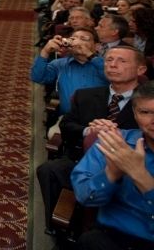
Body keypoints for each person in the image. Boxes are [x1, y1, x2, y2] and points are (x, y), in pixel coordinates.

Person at [36, 45, 144, 234]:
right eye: (109, 60)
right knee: (49, 169)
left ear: (140, 69)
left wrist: (115, 133)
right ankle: (57, 231)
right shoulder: (85, 95)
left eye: (122, 61)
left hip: (131, 169)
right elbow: (66, 126)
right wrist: (89, 131)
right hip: (83, 162)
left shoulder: (147, 102)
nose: (112, 65)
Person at [70, 80, 154, 250]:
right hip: (112, 237)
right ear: (135, 114)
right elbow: (84, 196)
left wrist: (141, 176)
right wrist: (110, 174)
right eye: (145, 112)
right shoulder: (114, 142)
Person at [30, 27, 108, 115]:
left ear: (97, 46)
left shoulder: (107, 64)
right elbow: (38, 77)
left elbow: (110, 76)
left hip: (100, 120)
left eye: (84, 39)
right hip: (68, 119)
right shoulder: (59, 64)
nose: (77, 42)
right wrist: (45, 52)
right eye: (73, 39)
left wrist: (89, 55)